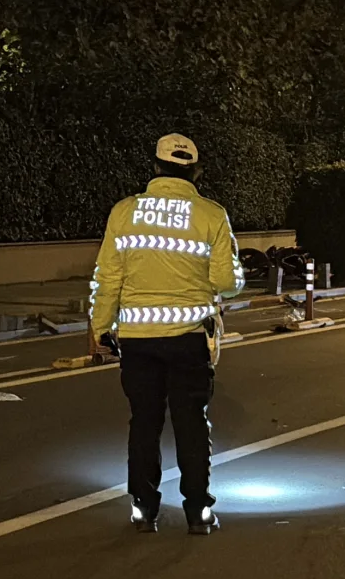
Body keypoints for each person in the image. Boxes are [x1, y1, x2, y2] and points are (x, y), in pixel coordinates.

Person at [90, 133, 243, 535]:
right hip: (189, 337)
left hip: (137, 339)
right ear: (195, 172)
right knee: (192, 424)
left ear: (156, 167)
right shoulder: (211, 214)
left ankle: (143, 509)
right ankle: (198, 512)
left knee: (144, 422)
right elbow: (226, 283)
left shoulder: (124, 212)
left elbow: (108, 277)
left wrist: (100, 327)